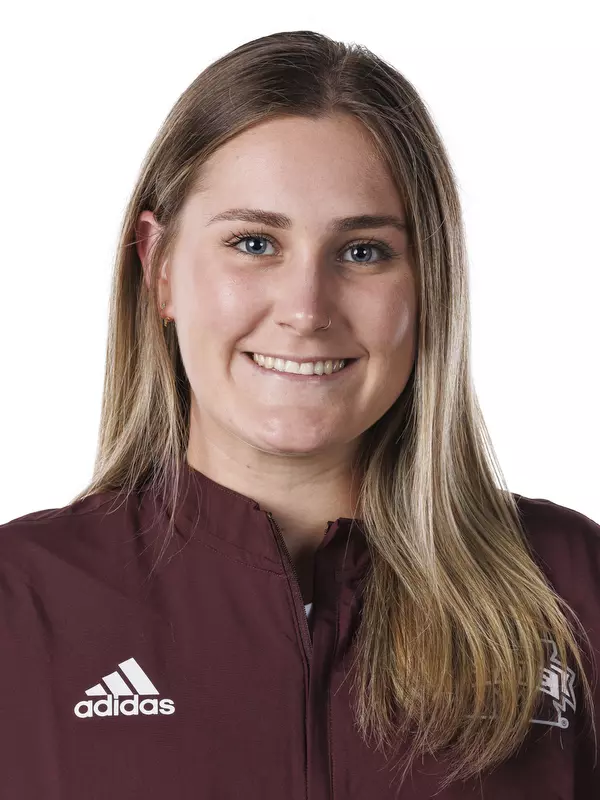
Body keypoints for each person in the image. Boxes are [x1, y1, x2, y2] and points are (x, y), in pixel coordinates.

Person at [0, 29, 598, 799]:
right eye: (254, 243)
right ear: (159, 270)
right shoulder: (21, 604)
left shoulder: (569, 589)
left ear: (429, 283)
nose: (306, 310)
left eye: (362, 252)